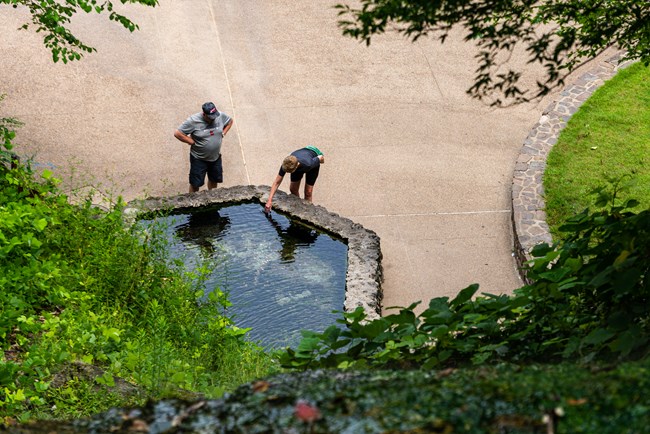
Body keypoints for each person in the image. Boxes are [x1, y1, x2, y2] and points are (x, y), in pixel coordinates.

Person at [174, 102, 234, 193]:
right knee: (195, 184)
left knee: (214, 180)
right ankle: (193, 202)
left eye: (215, 116)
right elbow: (178, 133)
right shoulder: (193, 121)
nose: (213, 119)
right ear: (204, 114)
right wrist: (190, 141)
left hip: (215, 157)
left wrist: (223, 133)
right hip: (199, 159)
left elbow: (230, 121)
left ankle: (212, 198)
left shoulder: (220, 116)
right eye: (211, 117)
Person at [264, 145, 324, 213]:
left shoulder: (308, 164)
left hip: (312, 162)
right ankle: (299, 207)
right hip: (301, 158)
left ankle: (308, 211)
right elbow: (277, 182)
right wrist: (269, 200)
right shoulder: (286, 163)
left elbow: (320, 157)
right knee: (293, 189)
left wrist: (320, 160)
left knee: (308, 192)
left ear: (296, 167)